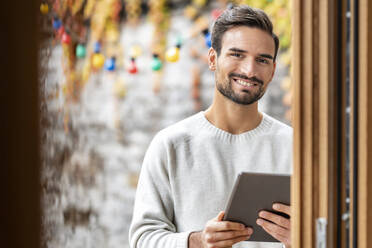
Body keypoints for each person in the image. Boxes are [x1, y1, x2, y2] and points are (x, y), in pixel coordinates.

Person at [129, 5, 292, 248]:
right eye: (237, 54)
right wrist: (197, 242)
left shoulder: (295, 147)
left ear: (272, 71)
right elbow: (142, 239)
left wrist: (304, 239)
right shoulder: (170, 145)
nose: (249, 70)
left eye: (262, 60)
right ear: (213, 59)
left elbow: (333, 234)